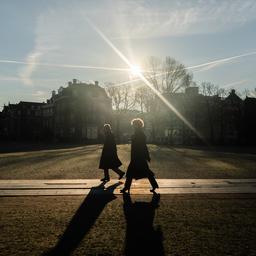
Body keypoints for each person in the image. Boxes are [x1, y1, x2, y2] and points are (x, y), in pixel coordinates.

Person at [121, 118, 159, 193]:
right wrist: (146, 156)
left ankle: (126, 187)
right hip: (138, 157)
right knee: (145, 172)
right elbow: (143, 146)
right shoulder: (139, 133)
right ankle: (154, 185)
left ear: (137, 125)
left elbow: (143, 146)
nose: (133, 126)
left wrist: (146, 155)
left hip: (138, 157)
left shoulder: (139, 134)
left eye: (134, 125)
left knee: (131, 173)